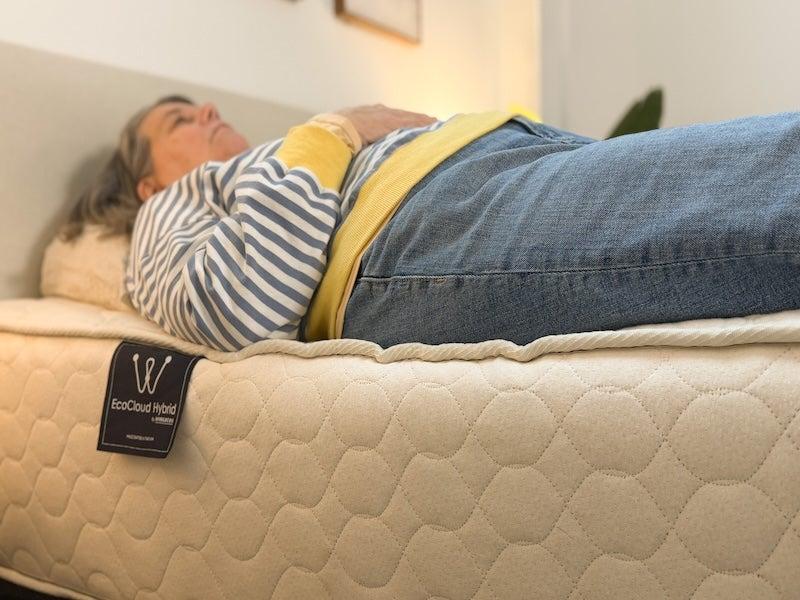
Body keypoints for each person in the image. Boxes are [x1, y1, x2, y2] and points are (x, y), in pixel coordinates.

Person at [65, 96, 800, 350]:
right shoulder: (165, 210)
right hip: (421, 224)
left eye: (204, 105)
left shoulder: (272, 165)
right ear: (147, 177)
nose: (210, 114)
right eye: (180, 119)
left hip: (483, 172)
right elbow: (237, 307)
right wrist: (335, 130)